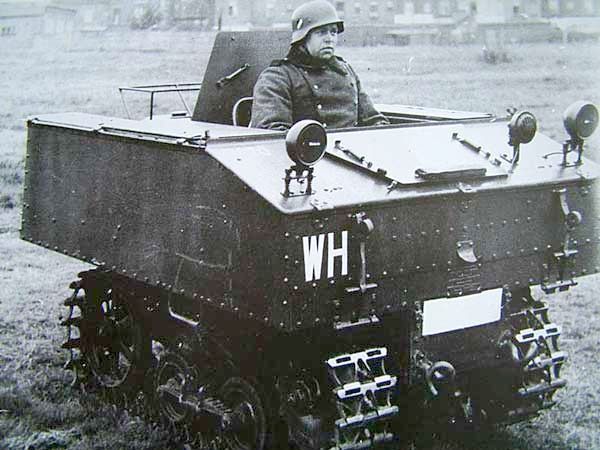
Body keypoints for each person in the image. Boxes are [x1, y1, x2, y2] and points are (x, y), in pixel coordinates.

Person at [250, 0, 389, 131]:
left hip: (351, 147)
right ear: (303, 38)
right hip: (308, 148)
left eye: (333, 32)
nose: (329, 39)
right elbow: (272, 132)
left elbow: (372, 118)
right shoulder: (277, 77)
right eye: (321, 32)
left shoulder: (345, 70)